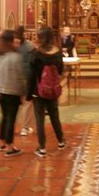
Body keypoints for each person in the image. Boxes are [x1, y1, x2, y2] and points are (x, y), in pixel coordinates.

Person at [27, 26, 65, 157]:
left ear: (39, 37)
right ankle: (61, 141)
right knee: (55, 115)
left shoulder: (35, 53)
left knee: (39, 119)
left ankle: (42, 148)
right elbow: (60, 70)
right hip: (52, 88)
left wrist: (29, 93)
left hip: (38, 90)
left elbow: (31, 75)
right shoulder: (58, 52)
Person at [0, 30, 26, 157]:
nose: (17, 42)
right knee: (11, 119)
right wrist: (24, 92)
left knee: (4, 117)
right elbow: (20, 76)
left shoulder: (0, 55)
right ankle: (10, 147)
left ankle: (3, 143)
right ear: (11, 42)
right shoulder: (16, 56)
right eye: (14, 40)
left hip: (1, 91)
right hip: (12, 92)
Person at [15, 26, 36, 136]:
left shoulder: (13, 45)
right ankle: (25, 128)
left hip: (15, 78)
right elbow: (34, 62)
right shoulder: (30, 45)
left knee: (15, 104)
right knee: (27, 103)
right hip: (27, 77)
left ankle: (11, 128)